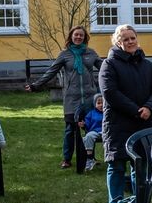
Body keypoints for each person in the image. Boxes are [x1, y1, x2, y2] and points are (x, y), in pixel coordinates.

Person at [99, 24, 152, 203]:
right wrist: (136, 110)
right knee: (117, 166)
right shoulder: (109, 64)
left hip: (143, 124)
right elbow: (110, 92)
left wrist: (149, 107)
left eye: (132, 38)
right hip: (117, 124)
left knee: (140, 167)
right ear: (118, 42)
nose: (130, 42)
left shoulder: (147, 65)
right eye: (125, 39)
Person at [24, 25, 101, 169]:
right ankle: (67, 159)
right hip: (72, 98)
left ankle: (90, 157)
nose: (78, 37)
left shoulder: (91, 53)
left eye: (81, 35)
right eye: (76, 35)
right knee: (70, 129)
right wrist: (36, 85)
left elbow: (104, 67)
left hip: (90, 96)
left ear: (85, 38)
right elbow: (51, 71)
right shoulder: (65, 54)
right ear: (71, 37)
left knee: (90, 127)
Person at [79, 93, 105, 171]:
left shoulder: (108, 113)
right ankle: (90, 158)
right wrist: (83, 125)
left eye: (103, 103)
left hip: (106, 132)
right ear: (95, 104)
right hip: (95, 132)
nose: (101, 105)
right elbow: (87, 126)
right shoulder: (91, 113)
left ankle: (111, 158)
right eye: (99, 103)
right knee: (88, 136)